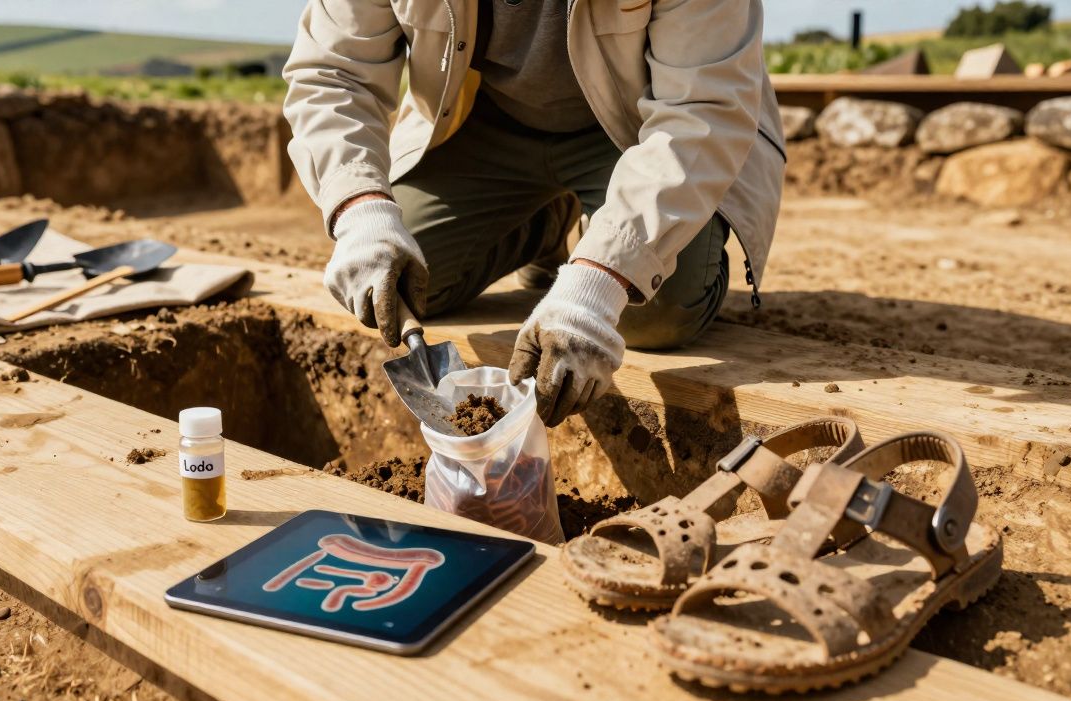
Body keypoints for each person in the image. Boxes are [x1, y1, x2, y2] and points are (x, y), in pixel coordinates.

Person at [282, 0, 785, 426]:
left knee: (657, 312)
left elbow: (702, 111)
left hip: (639, 128)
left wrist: (600, 280)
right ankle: (547, 226)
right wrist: (361, 211)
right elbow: (333, 72)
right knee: (407, 280)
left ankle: (600, 236)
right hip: (484, 122)